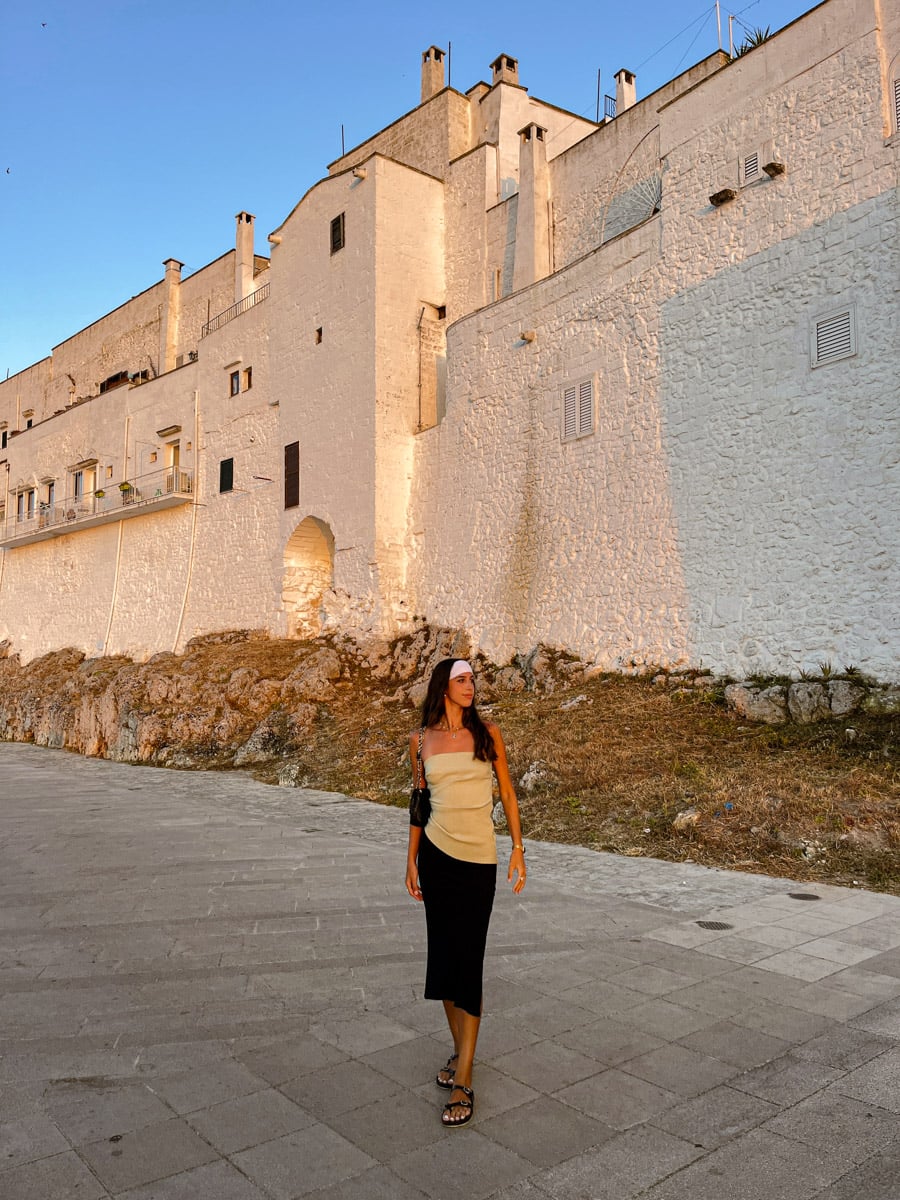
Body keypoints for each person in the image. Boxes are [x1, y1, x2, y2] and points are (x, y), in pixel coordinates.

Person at [405, 657, 526, 1128]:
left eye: (473, 680)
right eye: (462, 680)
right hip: (436, 859)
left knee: (468, 962)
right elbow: (419, 802)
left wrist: (517, 848)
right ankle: (461, 1052)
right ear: (444, 687)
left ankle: (465, 1077)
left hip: (479, 863)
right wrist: (410, 859)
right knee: (444, 962)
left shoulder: (487, 734)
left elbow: (509, 794)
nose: (471, 686)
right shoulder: (419, 741)